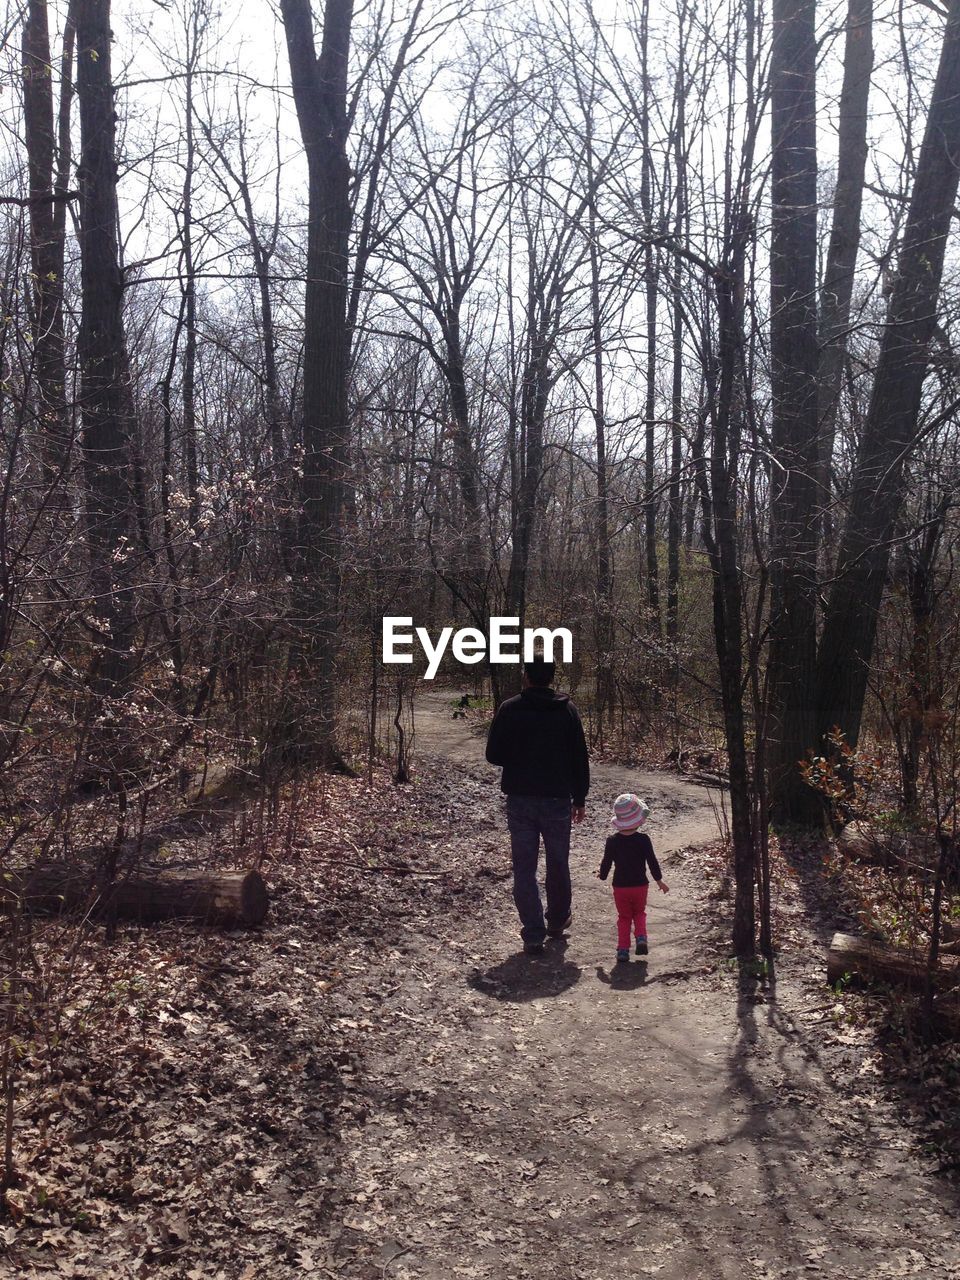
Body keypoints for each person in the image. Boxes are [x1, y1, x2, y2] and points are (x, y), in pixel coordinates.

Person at [485, 658, 589, 954]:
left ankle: (533, 931)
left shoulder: (510, 708)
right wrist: (579, 797)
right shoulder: (567, 711)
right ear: (551, 678)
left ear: (527, 677)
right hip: (557, 798)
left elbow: (493, 754)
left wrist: (520, 757)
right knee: (558, 861)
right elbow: (579, 758)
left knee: (524, 866)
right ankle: (556, 921)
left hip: (520, 798)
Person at [597, 793, 669, 962]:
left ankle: (623, 949)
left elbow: (606, 862)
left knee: (624, 917)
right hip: (640, 886)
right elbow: (652, 861)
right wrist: (659, 880)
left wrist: (602, 875)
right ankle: (641, 937)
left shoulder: (612, 841)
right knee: (639, 913)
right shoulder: (643, 840)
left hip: (620, 887)